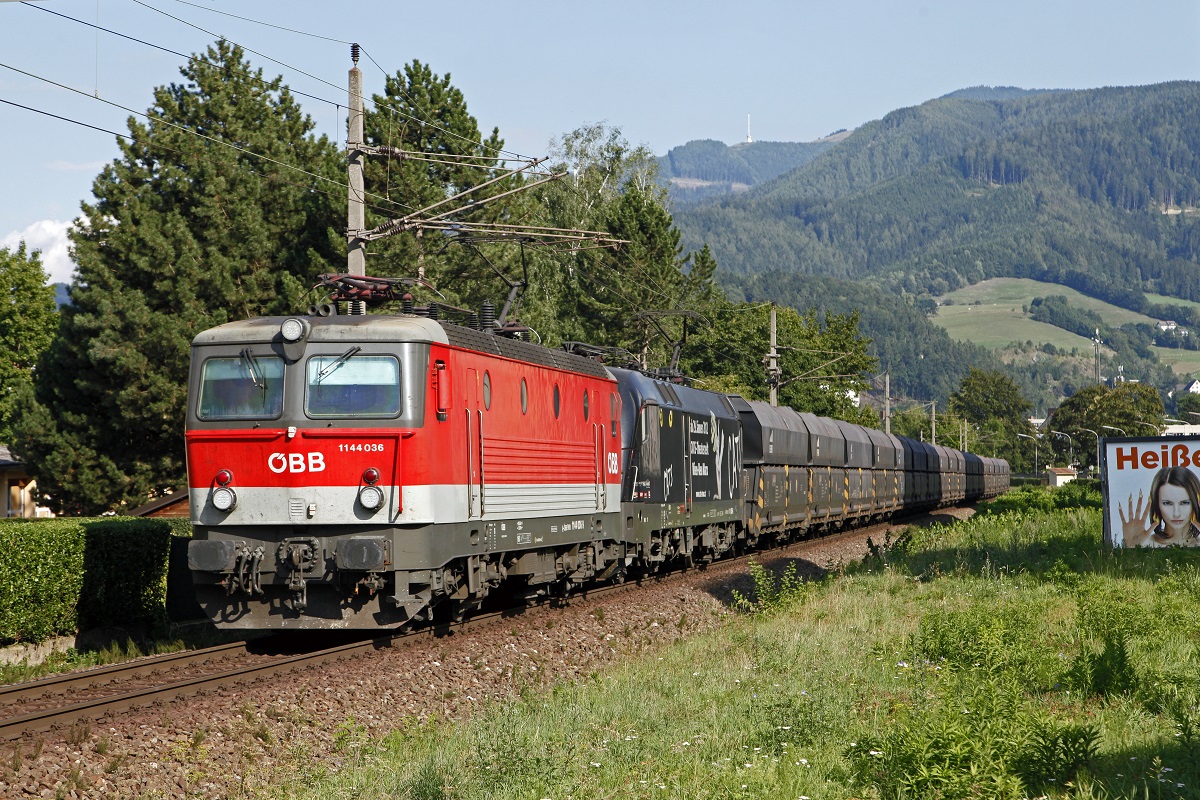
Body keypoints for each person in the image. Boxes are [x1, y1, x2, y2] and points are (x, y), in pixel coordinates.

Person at [1119, 465, 1200, 547]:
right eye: (1167, 503)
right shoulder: (1145, 544)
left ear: (1195, 503)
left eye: (1184, 503)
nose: (1176, 513)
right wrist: (1130, 546)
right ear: (1157, 505)